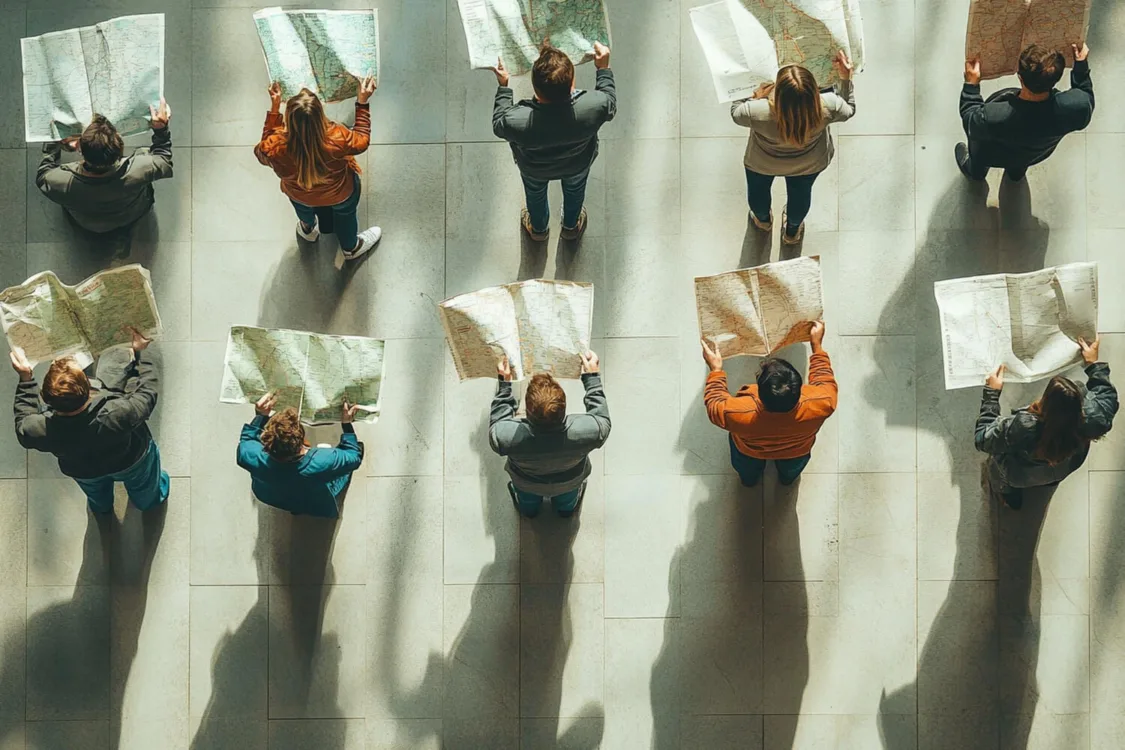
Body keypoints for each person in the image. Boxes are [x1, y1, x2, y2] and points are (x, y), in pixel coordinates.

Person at [11, 328, 169, 514]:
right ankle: (149, 501)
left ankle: (101, 506)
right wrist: (142, 353)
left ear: (44, 398)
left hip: (82, 470)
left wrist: (26, 378)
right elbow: (147, 394)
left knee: (95, 490)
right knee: (144, 484)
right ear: (90, 387)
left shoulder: (40, 430)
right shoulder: (117, 413)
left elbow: (23, 420)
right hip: (131, 460)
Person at [490, 42, 617, 242]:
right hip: (578, 163)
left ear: (535, 87)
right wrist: (603, 69)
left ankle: (539, 229)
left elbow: (498, 123)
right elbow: (610, 101)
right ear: (572, 83)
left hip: (534, 168)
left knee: (535, 194)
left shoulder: (516, 120)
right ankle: (571, 226)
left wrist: (504, 87)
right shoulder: (594, 106)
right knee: (575, 190)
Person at [975, 336, 1117, 510]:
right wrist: (1093, 365)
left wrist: (991, 394)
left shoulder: (1023, 428)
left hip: (1020, 473)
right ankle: (1049, 483)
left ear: (1045, 404)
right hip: (1068, 464)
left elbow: (982, 437)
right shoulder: (1095, 417)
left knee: (1004, 477)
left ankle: (1010, 495)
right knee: (1051, 477)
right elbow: (1105, 393)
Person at [731, 51, 855, 244]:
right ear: (815, 91)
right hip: (809, 163)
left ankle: (763, 221)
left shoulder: (756, 111)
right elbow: (849, 109)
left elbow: (736, 113)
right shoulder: (830, 106)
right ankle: (792, 232)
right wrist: (845, 79)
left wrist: (754, 97)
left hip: (762, 163)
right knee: (801, 195)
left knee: (758, 193)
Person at [254, 77, 381, 262]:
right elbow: (362, 141)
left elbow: (262, 150)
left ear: (289, 118)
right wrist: (362, 103)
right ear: (320, 115)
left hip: (299, 194)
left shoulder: (275, 147)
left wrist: (274, 109)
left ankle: (307, 229)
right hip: (340, 193)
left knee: (303, 209)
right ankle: (350, 248)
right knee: (346, 216)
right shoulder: (337, 137)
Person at [701, 321, 836, 486]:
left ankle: (749, 481)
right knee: (791, 469)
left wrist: (716, 371)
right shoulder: (823, 403)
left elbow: (714, 402)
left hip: (748, 450)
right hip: (797, 450)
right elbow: (823, 378)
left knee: (747, 469)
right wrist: (817, 346)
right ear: (800, 388)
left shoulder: (736, 413)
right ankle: (787, 479)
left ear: (759, 391)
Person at [488, 351, 611, 518]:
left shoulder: (505, 438)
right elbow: (602, 417)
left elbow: (497, 423)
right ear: (564, 409)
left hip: (526, 482)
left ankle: (529, 512)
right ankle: (566, 511)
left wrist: (504, 386)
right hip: (570, 481)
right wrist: (592, 378)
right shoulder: (590, 431)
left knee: (527, 501)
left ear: (527, 413)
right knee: (567, 500)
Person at [957, 43, 1093, 182]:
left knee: (978, 162)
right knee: (1020, 162)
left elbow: (969, 119)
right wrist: (1081, 67)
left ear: (1020, 78)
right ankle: (1016, 174)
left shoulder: (991, 116)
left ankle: (976, 174)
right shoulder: (1076, 108)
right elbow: (1085, 94)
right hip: (1033, 155)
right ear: (1056, 79)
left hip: (991, 155)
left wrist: (971, 85)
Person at [35, 99, 173, 234]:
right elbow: (163, 159)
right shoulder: (141, 169)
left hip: (85, 221)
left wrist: (53, 139)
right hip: (132, 213)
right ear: (120, 147)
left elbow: (43, 174)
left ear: (79, 149)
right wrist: (161, 130)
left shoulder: (60, 182)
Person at [236, 393, 364, 518]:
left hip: (271, 497)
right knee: (355, 450)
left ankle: (294, 508)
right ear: (301, 441)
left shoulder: (249, 456)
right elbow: (353, 457)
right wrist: (347, 425)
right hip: (316, 503)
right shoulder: (321, 462)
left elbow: (247, 440)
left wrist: (260, 416)